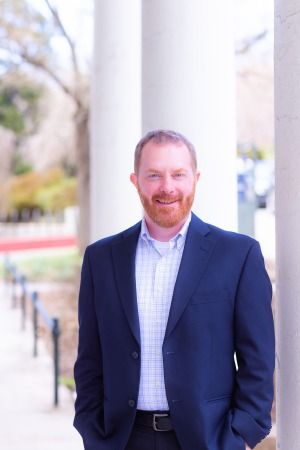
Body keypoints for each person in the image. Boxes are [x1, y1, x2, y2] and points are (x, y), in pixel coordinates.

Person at [73, 130, 275, 450]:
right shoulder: (101, 259)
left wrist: (242, 435)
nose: (167, 187)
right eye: (153, 175)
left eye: (178, 174)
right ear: (135, 181)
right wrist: (92, 430)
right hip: (123, 440)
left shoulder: (238, 255)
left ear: (195, 179)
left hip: (208, 440)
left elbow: (258, 360)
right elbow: (89, 359)